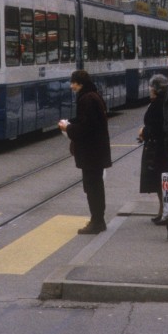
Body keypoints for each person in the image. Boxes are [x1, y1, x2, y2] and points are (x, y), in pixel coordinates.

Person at [59, 69, 113, 234]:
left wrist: (68, 127)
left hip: (91, 152)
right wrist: (71, 123)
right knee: (94, 186)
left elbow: (86, 128)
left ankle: (97, 222)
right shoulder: (92, 96)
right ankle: (98, 220)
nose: (71, 86)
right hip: (95, 151)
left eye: (73, 83)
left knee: (93, 187)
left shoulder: (87, 99)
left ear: (79, 83)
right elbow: (87, 121)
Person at [137, 74, 168, 224]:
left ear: (156, 89)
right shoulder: (160, 102)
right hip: (158, 146)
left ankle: (165, 212)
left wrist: (144, 132)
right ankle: (162, 210)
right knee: (160, 181)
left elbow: (157, 126)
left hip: (158, 148)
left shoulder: (159, 104)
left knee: (160, 180)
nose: (149, 90)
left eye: (151, 87)